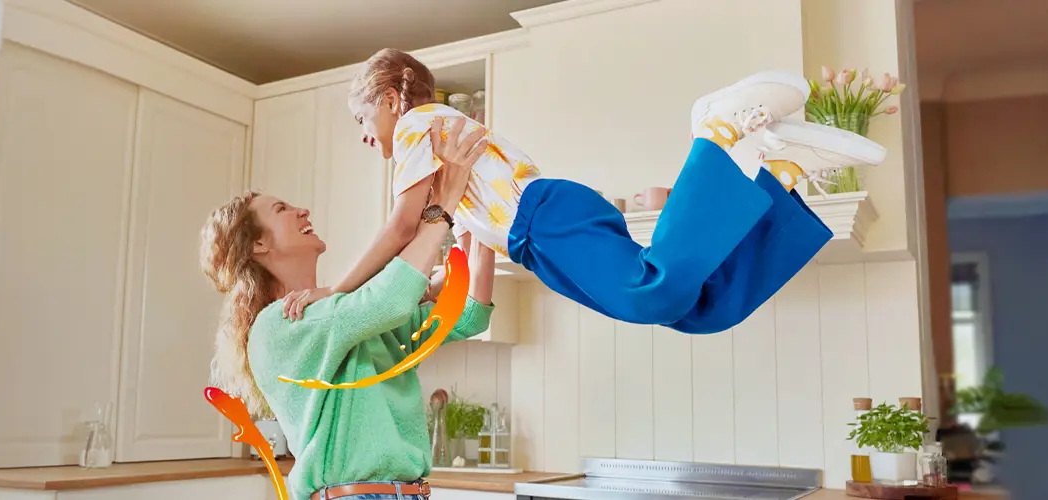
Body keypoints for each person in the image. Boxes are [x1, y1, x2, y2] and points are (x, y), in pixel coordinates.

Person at [280, 48, 885, 333]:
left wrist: (334, 291)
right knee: (697, 308)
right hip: (538, 236)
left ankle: (719, 133)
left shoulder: (417, 126)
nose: (366, 138)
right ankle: (776, 179)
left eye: (362, 122)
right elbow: (465, 255)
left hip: (543, 218)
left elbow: (402, 228)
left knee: (650, 295)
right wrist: (427, 289)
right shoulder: (445, 157)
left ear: (390, 101)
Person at [198, 121, 499, 500]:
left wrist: (480, 219)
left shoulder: (346, 319)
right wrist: (444, 204)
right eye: (282, 209)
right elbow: (390, 299)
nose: (301, 210)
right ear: (257, 243)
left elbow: (466, 313)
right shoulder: (277, 326)